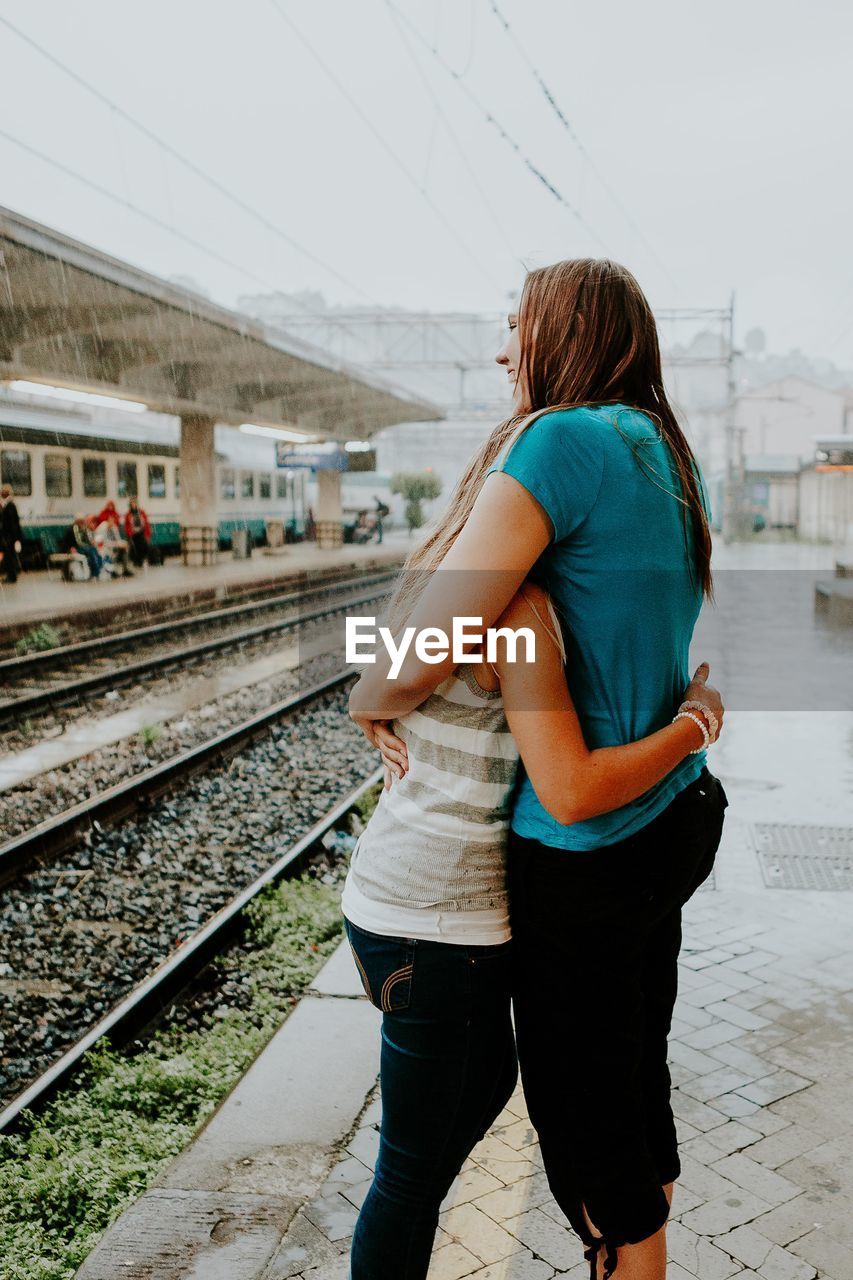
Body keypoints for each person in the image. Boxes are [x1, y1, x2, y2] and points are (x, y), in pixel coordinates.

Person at [347, 258, 728, 1280]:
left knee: (595, 1154)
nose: (504, 347)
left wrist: (367, 696)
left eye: (517, 325)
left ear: (562, 330)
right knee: (635, 1107)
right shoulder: (669, 457)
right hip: (670, 831)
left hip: (586, 853)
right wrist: (692, 725)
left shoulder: (559, 441)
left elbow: (423, 642)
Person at [61, 513, 103, 579]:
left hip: (81, 547)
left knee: (95, 553)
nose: (82, 522)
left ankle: (96, 572)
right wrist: (70, 548)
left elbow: (87, 539)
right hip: (73, 548)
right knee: (91, 553)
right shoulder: (74, 528)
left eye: (82, 521)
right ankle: (95, 573)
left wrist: (91, 544)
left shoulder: (83, 528)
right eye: (80, 521)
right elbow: (78, 542)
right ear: (77, 521)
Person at [95, 511, 133, 578]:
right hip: (105, 547)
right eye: (111, 520)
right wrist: (116, 544)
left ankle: (125, 569)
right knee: (116, 551)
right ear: (108, 520)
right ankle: (113, 571)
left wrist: (123, 542)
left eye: (113, 520)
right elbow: (104, 542)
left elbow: (118, 538)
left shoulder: (114, 527)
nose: (112, 522)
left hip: (114, 546)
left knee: (124, 549)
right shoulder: (103, 527)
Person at [0, 483, 23, 584]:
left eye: (2, 492)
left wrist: (12, 537)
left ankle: (12, 576)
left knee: (10, 556)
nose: (1, 493)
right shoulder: (9, 504)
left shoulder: (10, 505)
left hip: (9, 537)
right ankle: (11, 575)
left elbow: (12, 523)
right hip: (10, 536)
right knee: (10, 556)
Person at [124, 499, 151, 567]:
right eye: (132, 504)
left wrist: (147, 533)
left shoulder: (141, 512)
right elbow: (127, 525)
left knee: (144, 546)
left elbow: (146, 523)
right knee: (135, 548)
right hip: (133, 534)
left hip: (141, 532)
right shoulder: (128, 514)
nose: (133, 505)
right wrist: (129, 533)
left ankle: (142, 560)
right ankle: (137, 561)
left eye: (134, 503)